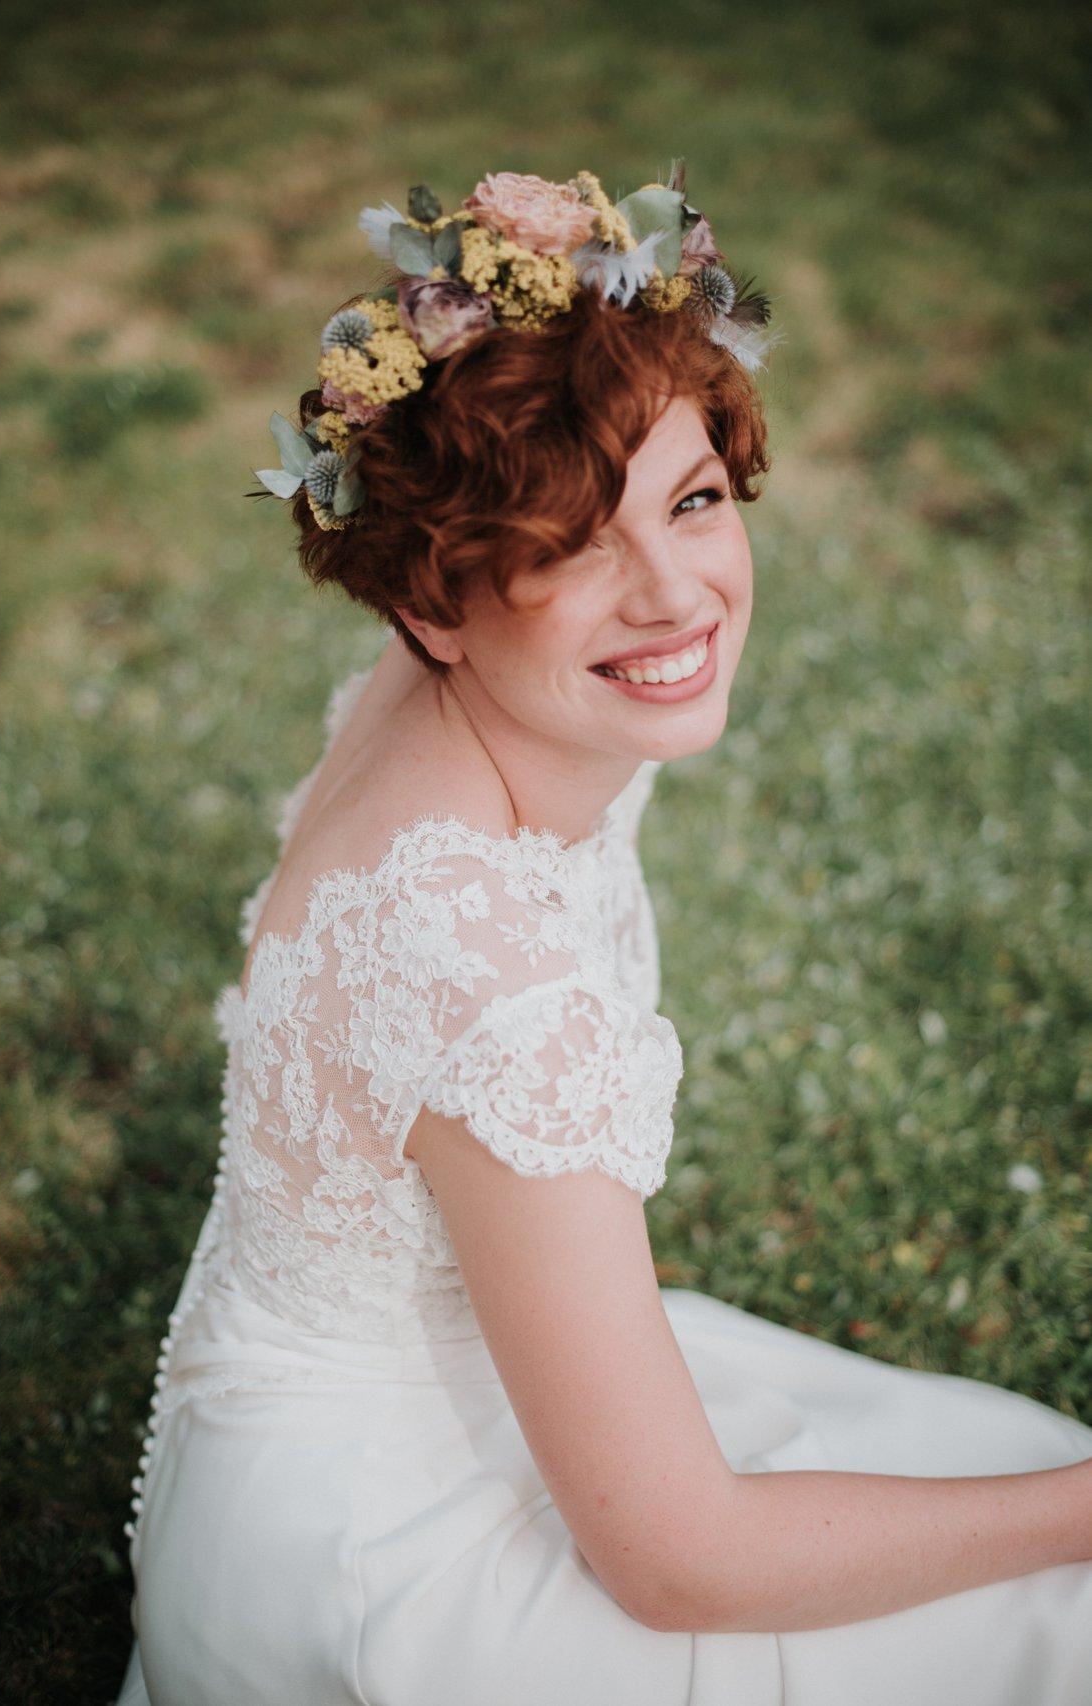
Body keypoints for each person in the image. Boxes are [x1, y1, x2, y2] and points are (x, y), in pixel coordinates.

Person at [114, 163, 1092, 1706]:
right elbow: (683, 1559)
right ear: (434, 600)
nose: (672, 595)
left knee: (1004, 1481)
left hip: (278, 1466)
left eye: (690, 500)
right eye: (570, 544)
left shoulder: (444, 702)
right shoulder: (485, 976)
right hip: (379, 1580)